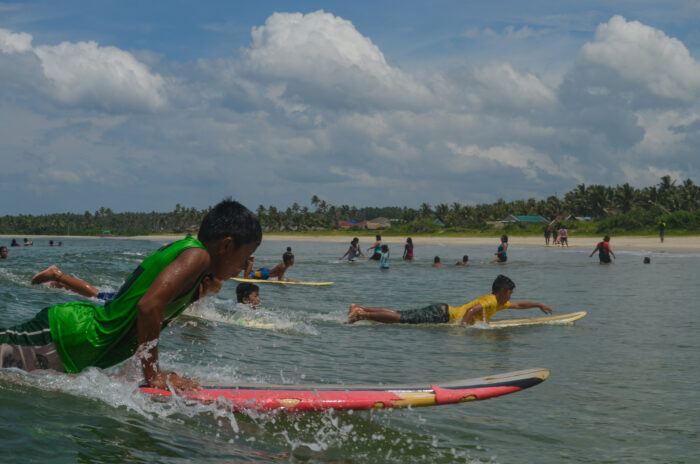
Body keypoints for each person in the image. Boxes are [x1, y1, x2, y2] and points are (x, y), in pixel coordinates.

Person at [0, 199, 261, 392]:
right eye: (244, 256)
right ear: (226, 245)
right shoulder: (197, 255)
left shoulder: (193, 261)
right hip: (65, 334)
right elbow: (148, 307)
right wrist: (153, 375)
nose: (243, 266)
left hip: (75, 347)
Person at [347, 274, 552, 325]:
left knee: (401, 313)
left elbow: (518, 305)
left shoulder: (498, 302)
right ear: (500, 291)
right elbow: (472, 311)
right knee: (401, 318)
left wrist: (538, 305)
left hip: (442, 310)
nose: (511, 296)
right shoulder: (490, 301)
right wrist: (463, 329)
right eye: (509, 292)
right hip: (442, 315)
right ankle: (362, 314)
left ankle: (359, 308)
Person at [31, 265, 223, 302]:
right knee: (95, 294)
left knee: (96, 293)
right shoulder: (193, 289)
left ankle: (61, 284)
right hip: (131, 300)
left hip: (137, 297)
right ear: (207, 280)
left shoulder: (197, 291)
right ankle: (57, 275)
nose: (223, 283)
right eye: (220, 279)